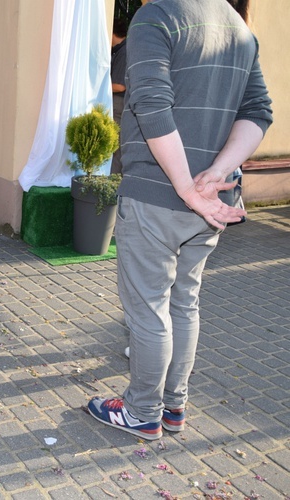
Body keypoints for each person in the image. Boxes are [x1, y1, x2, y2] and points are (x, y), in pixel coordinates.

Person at [87, 0, 272, 440]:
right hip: (212, 199)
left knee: (149, 310)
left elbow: (151, 104)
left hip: (160, 193)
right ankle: (173, 407)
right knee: (183, 302)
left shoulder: (157, 16)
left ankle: (142, 412)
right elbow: (258, 111)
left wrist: (190, 187)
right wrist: (217, 174)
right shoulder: (240, 29)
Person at [109, 17, 127, 175]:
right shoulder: (122, 50)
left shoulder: (124, 51)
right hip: (120, 104)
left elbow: (120, 85)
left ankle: (113, 182)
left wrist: (96, 87)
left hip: (119, 104)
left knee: (116, 147)